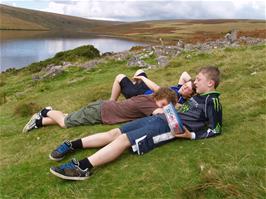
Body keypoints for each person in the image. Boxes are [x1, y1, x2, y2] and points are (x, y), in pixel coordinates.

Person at [49, 66, 223, 180]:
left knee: (123, 139)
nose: (194, 81)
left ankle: (82, 168)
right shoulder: (198, 96)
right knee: (114, 133)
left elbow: (215, 130)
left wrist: (190, 135)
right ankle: (73, 145)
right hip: (158, 118)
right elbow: (183, 92)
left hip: (166, 127)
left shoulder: (212, 102)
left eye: (198, 79)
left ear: (210, 83)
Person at [22, 87, 178, 133]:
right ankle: (45, 111)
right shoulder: (149, 103)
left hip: (102, 110)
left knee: (70, 117)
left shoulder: (149, 99)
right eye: (164, 103)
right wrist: (173, 109)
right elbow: (159, 113)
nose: (163, 107)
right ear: (159, 97)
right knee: (65, 122)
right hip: (100, 111)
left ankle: (40, 122)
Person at [110, 69, 195, 104]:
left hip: (141, 95)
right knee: (140, 71)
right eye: (185, 84)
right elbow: (184, 74)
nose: (184, 86)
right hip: (146, 90)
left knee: (119, 77)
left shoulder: (177, 97)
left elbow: (157, 89)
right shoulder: (179, 89)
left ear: (190, 95)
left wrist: (142, 78)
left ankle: (111, 103)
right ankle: (131, 89)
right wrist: (195, 85)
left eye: (187, 88)